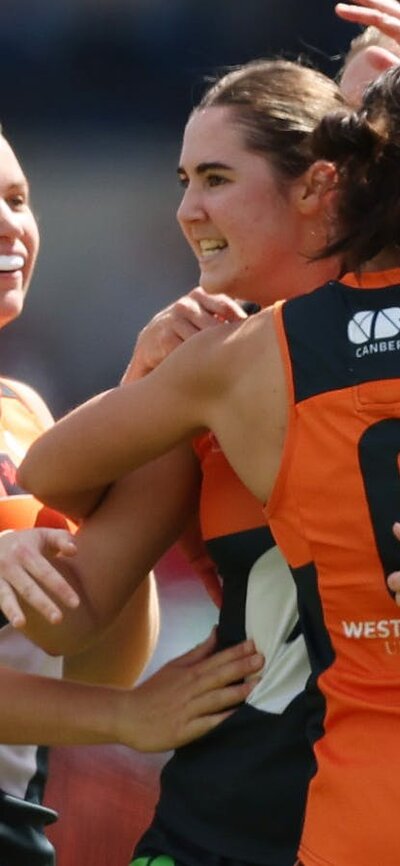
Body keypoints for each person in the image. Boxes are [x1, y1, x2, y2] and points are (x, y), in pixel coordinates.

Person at [18, 63, 400, 866]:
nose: (189, 211)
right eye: (185, 180)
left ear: (319, 185)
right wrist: (141, 381)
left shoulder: (243, 367)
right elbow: (72, 616)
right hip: (229, 822)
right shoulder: (203, 381)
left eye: (217, 179)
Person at [0, 128, 264, 866]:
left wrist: (138, 409)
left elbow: (90, 657)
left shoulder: (22, 410)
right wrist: (126, 718)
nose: (10, 225)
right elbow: (113, 695)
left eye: (19, 198)